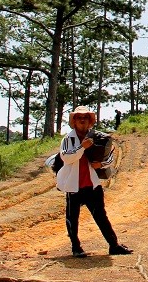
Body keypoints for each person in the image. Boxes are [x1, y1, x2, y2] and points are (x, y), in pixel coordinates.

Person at [57, 105, 133, 258]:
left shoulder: (98, 136)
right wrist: (81, 147)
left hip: (92, 185)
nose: (82, 120)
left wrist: (101, 164)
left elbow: (109, 155)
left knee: (101, 216)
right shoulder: (68, 139)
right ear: (74, 121)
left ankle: (114, 245)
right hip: (74, 185)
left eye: (85, 117)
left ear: (90, 121)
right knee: (72, 217)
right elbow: (66, 157)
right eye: (79, 117)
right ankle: (76, 248)